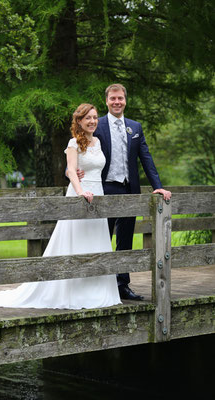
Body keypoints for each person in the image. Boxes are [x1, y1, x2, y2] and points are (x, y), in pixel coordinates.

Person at [0, 104, 121, 310]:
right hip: (81, 194)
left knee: (95, 238)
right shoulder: (73, 143)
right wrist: (80, 192)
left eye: (95, 117)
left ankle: (98, 289)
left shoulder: (98, 142)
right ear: (79, 121)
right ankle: (72, 290)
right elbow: (70, 169)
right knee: (76, 240)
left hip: (98, 195)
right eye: (88, 118)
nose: (93, 121)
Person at [77, 84, 171, 301]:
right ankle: (99, 283)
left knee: (126, 239)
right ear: (107, 101)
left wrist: (157, 184)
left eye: (120, 98)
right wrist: (72, 172)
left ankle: (122, 284)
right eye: (112, 99)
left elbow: (145, 158)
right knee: (102, 236)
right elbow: (76, 150)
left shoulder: (135, 127)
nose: (116, 102)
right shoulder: (95, 124)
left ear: (125, 100)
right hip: (104, 188)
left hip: (130, 189)